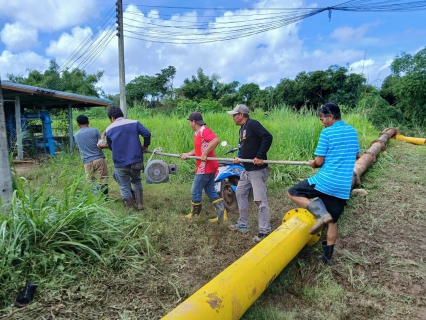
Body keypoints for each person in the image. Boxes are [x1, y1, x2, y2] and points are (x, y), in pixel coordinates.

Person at [287, 102, 360, 265]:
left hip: (325, 181)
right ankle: (327, 259)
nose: (322, 122)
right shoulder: (352, 131)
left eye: (322, 119)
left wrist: (313, 163)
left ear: (331, 116)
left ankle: (320, 215)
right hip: (343, 185)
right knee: (333, 221)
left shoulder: (327, 133)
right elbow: (357, 155)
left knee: (293, 192)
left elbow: (319, 162)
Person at [226, 104, 273, 243]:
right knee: (240, 192)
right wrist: (239, 158)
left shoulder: (252, 124)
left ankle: (264, 230)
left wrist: (259, 156)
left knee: (259, 200)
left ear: (241, 114)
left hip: (257, 170)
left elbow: (268, 137)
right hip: (247, 170)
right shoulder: (242, 129)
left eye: (234, 115)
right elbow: (244, 147)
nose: (233, 118)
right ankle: (243, 224)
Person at [99, 106, 151, 210]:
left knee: (124, 186)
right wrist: (145, 146)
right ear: (121, 114)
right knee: (136, 181)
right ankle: (140, 204)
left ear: (112, 118)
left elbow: (111, 146)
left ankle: (130, 208)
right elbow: (147, 134)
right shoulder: (135, 122)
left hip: (120, 162)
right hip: (136, 160)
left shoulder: (109, 129)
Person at [180, 111, 228, 222]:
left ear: (193, 122)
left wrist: (205, 153)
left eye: (190, 122)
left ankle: (196, 214)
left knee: (195, 190)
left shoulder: (204, 131)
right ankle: (222, 214)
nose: (189, 124)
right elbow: (197, 150)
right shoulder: (197, 133)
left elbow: (216, 140)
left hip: (205, 168)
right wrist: (187, 154)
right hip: (207, 167)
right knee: (210, 190)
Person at [74, 114, 108, 197]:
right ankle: (105, 198)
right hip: (98, 158)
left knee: (91, 181)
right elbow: (101, 144)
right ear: (88, 122)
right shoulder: (94, 130)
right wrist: (103, 135)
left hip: (86, 161)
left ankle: (95, 197)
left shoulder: (76, 135)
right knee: (103, 179)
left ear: (78, 124)